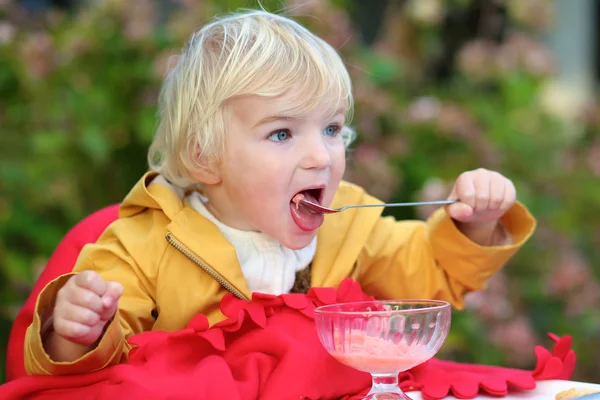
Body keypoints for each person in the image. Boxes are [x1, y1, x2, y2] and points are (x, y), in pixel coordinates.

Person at [23, 9, 535, 376]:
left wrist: (475, 223)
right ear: (205, 156)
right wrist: (76, 332)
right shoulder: (143, 245)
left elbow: (428, 276)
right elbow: (96, 378)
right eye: (282, 134)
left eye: (332, 129)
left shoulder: (348, 229)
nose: (320, 156)